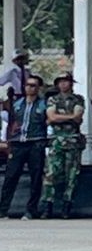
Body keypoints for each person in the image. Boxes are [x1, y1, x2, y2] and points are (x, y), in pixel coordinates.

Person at [1, 73, 50, 218]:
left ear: (39, 88)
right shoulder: (17, 104)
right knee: (11, 176)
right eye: (28, 85)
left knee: (35, 177)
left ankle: (31, 209)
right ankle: (3, 209)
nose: (30, 88)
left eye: (33, 85)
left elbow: (47, 121)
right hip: (18, 143)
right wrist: (9, 141)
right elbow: (11, 123)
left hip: (36, 141)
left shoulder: (43, 104)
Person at [41, 73, 87, 219]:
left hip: (73, 141)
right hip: (56, 142)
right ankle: (47, 206)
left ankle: (66, 207)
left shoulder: (78, 99)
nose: (63, 84)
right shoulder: (52, 99)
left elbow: (78, 117)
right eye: (61, 82)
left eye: (66, 81)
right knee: (51, 174)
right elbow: (51, 117)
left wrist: (59, 118)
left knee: (72, 175)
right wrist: (69, 117)